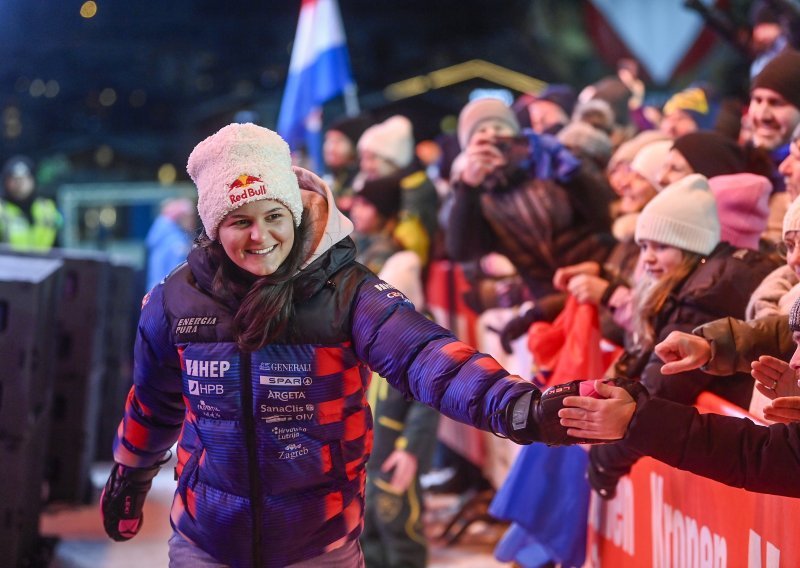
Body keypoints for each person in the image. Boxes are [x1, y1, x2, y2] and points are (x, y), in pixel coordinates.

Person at [99, 123, 628, 568]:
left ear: (295, 214)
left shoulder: (346, 290)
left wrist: (521, 407)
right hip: (205, 542)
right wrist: (130, 472)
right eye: (240, 221)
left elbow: (426, 357)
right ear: (214, 226)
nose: (260, 237)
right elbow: (154, 401)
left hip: (318, 545)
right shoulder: (173, 301)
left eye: (273, 217)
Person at [557, 294, 800, 499]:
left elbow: (755, 455)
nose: (794, 361)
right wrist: (714, 345)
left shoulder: (706, 296)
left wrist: (635, 421)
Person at [0, 155, 62, 250]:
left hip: (44, 263)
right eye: (14, 179)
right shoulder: (2, 209)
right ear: (6, 182)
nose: (20, 183)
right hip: (8, 264)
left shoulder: (47, 207)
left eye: (24, 178)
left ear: (33, 180)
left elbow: (59, 244)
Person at [145, 197, 197, 290]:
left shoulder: (160, 235)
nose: (192, 221)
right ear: (180, 217)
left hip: (157, 292)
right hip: (170, 293)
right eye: (188, 217)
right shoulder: (176, 242)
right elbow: (177, 272)